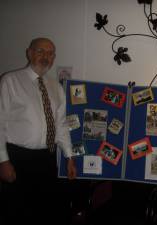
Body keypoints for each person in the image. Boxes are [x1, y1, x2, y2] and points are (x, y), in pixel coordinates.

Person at [0, 37, 77, 225]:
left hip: (47, 157)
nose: (46, 56)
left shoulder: (56, 86)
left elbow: (61, 124)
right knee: (17, 212)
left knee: (45, 211)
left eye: (50, 53)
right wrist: (3, 161)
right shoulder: (10, 80)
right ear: (29, 53)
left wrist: (69, 157)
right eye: (40, 51)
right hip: (17, 158)